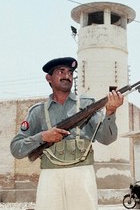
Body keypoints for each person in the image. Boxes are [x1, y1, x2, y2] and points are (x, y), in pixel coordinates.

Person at [10, 57, 124, 210]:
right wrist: (43, 137)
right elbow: (16, 148)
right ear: (48, 78)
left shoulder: (86, 104)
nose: (67, 76)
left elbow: (107, 139)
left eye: (70, 72)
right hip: (50, 175)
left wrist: (110, 112)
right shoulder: (37, 112)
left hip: (82, 173)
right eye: (61, 71)